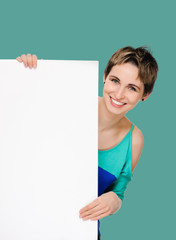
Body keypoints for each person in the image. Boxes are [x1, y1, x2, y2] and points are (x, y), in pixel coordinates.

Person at [16, 46, 158, 239]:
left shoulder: (135, 140)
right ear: (104, 77)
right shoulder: (68, 102)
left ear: (145, 95)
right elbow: (19, 126)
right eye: (115, 80)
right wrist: (25, 73)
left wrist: (114, 201)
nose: (119, 94)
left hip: (79, 232)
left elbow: (118, 193)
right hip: (25, 226)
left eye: (132, 88)